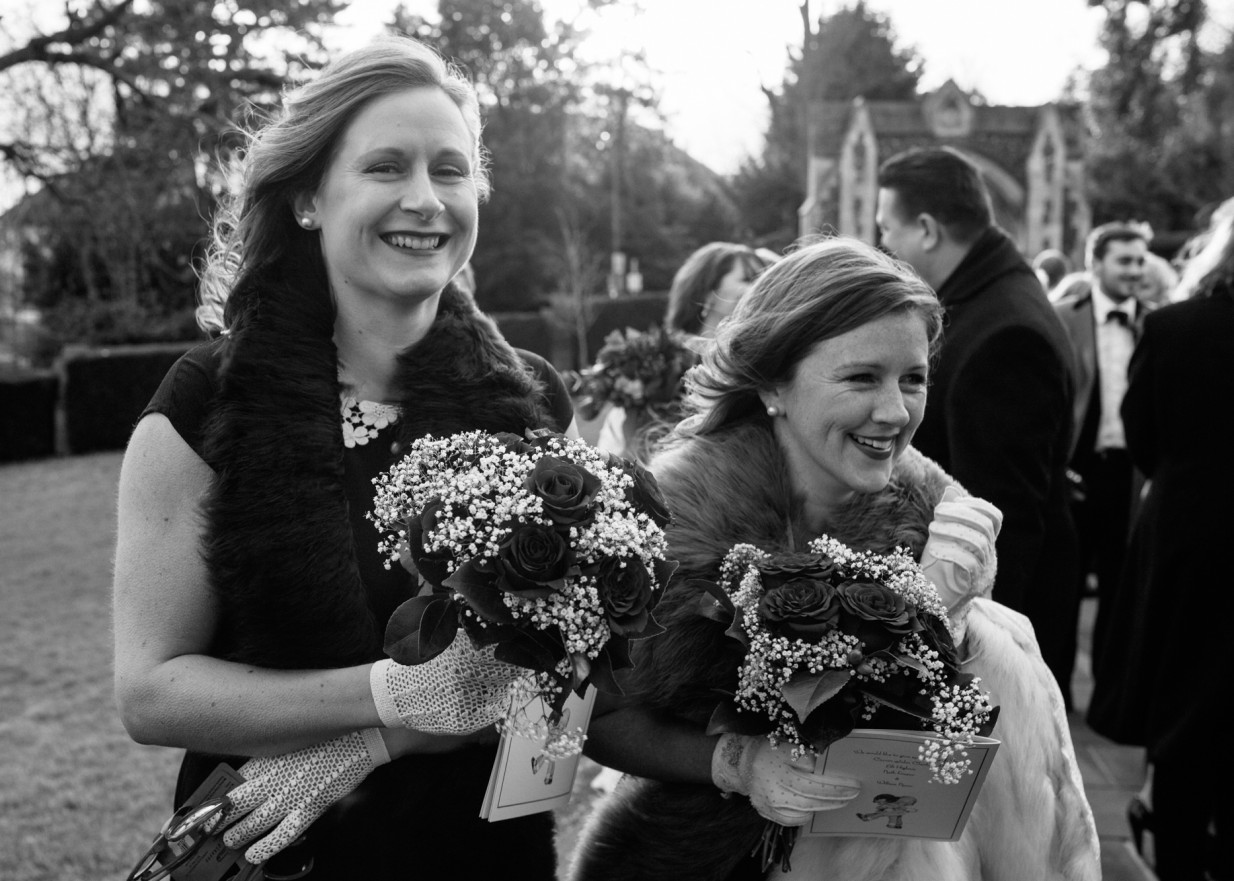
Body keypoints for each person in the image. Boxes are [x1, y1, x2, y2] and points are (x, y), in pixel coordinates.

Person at [111, 36, 574, 879]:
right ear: (307, 199)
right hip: (277, 855)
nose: (425, 199)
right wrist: (393, 694)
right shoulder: (206, 402)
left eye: (450, 169)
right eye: (386, 167)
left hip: (487, 857)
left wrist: (367, 745)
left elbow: (573, 674)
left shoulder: (534, 401)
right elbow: (150, 692)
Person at [570, 237, 1099, 881]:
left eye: (913, 379)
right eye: (861, 378)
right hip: (701, 858)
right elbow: (600, 719)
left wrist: (949, 617)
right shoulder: (669, 525)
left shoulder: (940, 525)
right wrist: (737, 763)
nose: (895, 411)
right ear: (773, 383)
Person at [875, 146, 1081, 707]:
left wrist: (966, 661)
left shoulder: (1004, 333)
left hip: (994, 626)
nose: (884, 245)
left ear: (926, 229)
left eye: (887, 228)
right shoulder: (989, 292)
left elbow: (1003, 517)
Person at [1086, 198, 1234, 881]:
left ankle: (1176, 858)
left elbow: (1142, 434)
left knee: (1185, 717)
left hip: (1191, 536)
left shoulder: (1175, 328)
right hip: (1193, 533)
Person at [1053, 222, 1155, 675]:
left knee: (1120, 593)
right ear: (1095, 264)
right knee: (1064, 589)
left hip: (1131, 476)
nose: (1135, 270)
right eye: (1124, 261)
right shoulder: (1063, 317)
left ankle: (1110, 696)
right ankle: (1057, 691)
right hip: (1074, 472)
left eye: (1140, 261)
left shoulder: (1157, 322)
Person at [596, 241, 766, 459]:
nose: (762, 287)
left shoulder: (759, 362)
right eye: (748, 279)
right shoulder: (661, 363)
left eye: (764, 278)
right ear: (708, 292)